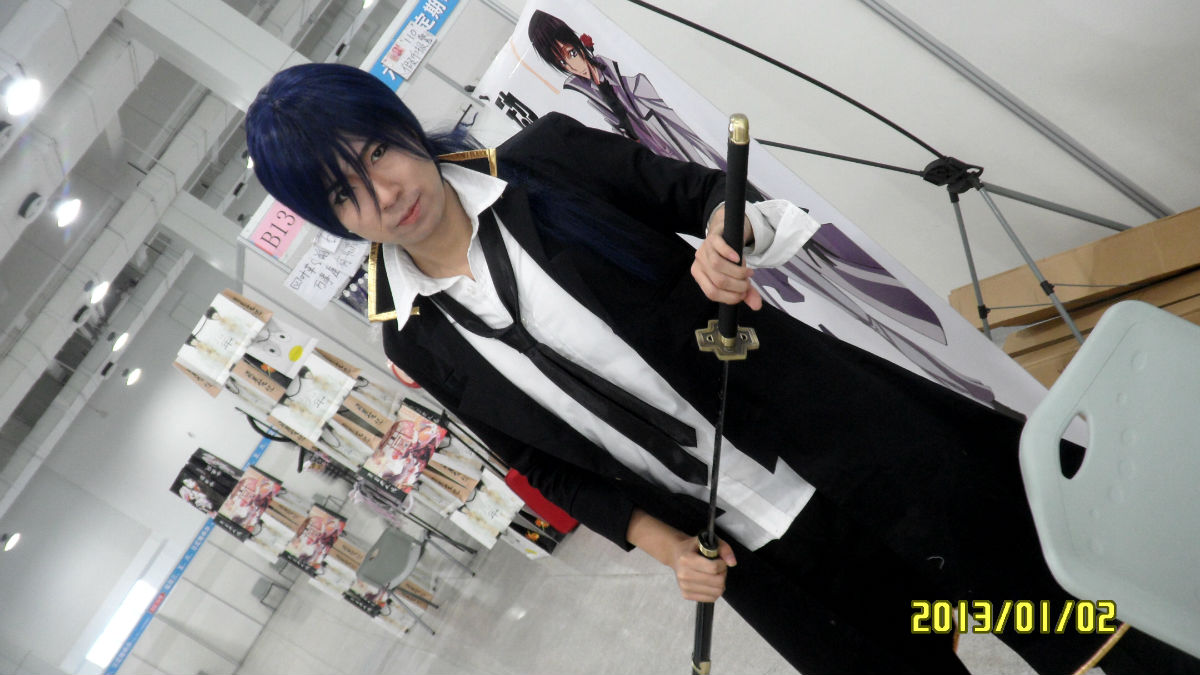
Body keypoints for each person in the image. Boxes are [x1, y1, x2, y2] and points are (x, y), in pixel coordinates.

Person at [245, 63, 1194, 674]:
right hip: (763, 553)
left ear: (403, 127)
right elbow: (543, 464)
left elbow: (715, 196)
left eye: (377, 151)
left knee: (1065, 622)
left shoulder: (545, 163)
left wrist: (724, 238)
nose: (384, 193)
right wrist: (660, 545)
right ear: (333, 219)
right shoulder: (412, 336)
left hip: (855, 451)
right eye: (345, 192)